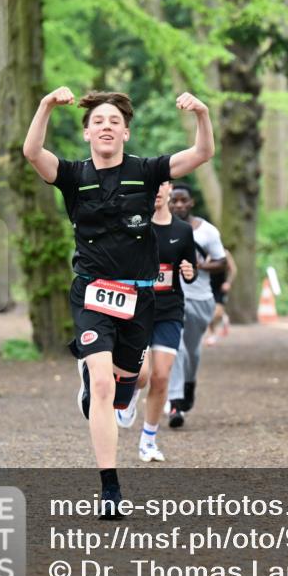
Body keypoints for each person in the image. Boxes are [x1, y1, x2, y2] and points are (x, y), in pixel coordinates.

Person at [23, 86, 214, 518]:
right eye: (98, 122)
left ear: (125, 133)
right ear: (88, 133)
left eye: (114, 122)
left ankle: (107, 390)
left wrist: (202, 113)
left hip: (139, 297)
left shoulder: (146, 171)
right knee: (104, 387)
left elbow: (201, 154)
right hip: (92, 292)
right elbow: (33, 151)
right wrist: (45, 106)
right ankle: (110, 489)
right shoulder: (73, 174)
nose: (106, 126)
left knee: (128, 386)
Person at [117, 180, 197, 462]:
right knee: (140, 375)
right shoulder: (134, 225)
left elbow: (191, 268)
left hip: (169, 310)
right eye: (154, 185)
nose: (158, 191)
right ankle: (127, 397)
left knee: (161, 377)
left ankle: (148, 440)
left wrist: (189, 271)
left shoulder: (183, 231)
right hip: (137, 309)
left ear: (168, 189)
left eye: (162, 185)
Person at [166, 184, 227, 428]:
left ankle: (188, 383)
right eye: (174, 201)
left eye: (183, 201)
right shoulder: (159, 227)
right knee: (175, 348)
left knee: (191, 351)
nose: (179, 205)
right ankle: (175, 401)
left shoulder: (208, 232)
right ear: (167, 203)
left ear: (191, 203)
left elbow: (222, 261)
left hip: (201, 298)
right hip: (171, 298)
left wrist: (198, 266)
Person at [205, 247, 235, 346]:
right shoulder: (205, 252)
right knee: (209, 312)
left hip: (220, 287)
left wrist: (228, 283)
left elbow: (233, 270)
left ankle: (220, 319)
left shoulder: (225, 253)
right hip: (207, 286)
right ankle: (212, 333)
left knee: (216, 313)